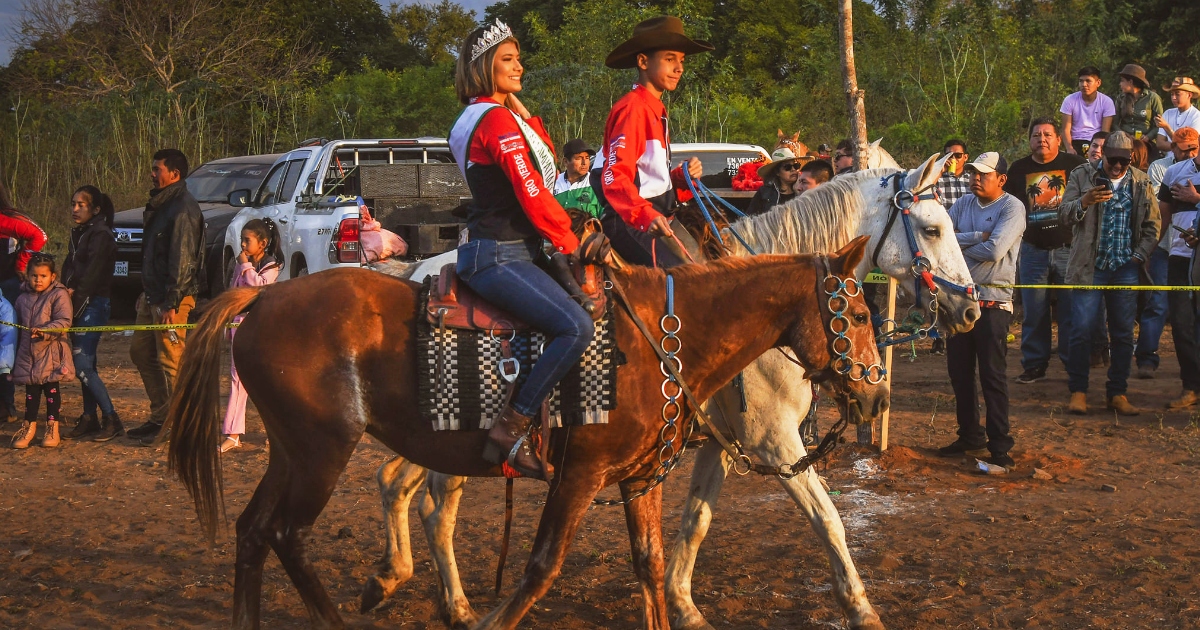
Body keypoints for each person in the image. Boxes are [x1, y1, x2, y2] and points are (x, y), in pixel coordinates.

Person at [448, 20, 610, 479]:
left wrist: (515, 104)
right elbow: (531, 190)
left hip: (506, 247)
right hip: (501, 252)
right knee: (577, 326)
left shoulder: (483, 116)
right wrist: (571, 241)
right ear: (484, 67)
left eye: (519, 58)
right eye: (507, 60)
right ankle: (511, 429)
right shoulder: (495, 120)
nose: (520, 66)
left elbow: (535, 155)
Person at [595, 16, 710, 268]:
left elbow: (647, 180)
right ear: (643, 61)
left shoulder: (655, 109)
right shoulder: (633, 108)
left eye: (681, 61)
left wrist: (681, 178)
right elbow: (614, 177)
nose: (679, 68)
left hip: (653, 217)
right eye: (670, 59)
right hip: (629, 222)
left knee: (711, 270)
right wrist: (643, 215)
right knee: (688, 281)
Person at [1059, 131, 1160, 415]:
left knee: (1123, 334)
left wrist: (1139, 256)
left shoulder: (1141, 181)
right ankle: (1078, 391)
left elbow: (1153, 225)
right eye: (1112, 160)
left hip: (1125, 267)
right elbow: (1063, 215)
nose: (1116, 166)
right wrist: (1084, 202)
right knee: (1080, 330)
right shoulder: (1082, 175)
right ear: (1103, 154)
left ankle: (1117, 392)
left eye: (1122, 161)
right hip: (1089, 266)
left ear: (1130, 158)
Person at [938, 153, 1025, 467]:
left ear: (1001, 179)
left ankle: (999, 446)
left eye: (984, 174)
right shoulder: (962, 203)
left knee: (992, 376)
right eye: (973, 172)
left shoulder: (1012, 207)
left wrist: (959, 246)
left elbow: (996, 250)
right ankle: (970, 437)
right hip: (958, 302)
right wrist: (975, 236)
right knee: (960, 375)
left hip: (993, 304)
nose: (976, 177)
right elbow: (941, 241)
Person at [126, 148, 204, 445]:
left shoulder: (182, 208)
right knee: (141, 352)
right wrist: (147, 293)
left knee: (171, 360)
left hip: (173, 298)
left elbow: (183, 260)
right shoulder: (162, 205)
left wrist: (172, 301)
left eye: (157, 169)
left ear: (175, 173)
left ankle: (181, 425)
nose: (152, 173)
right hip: (155, 296)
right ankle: (161, 416)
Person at [1002, 118, 1086, 383]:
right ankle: (1034, 365)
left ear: (1058, 139)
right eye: (1036, 135)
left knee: (1070, 312)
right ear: (1030, 140)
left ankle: (1073, 366)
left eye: (1048, 134)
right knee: (1034, 312)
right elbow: (1008, 207)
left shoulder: (1075, 166)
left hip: (1069, 250)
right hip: (1033, 251)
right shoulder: (1018, 169)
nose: (1042, 139)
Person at [61, 185, 122, 441]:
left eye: (81, 205)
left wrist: (73, 306)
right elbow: (70, 266)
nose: (75, 209)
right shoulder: (80, 233)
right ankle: (89, 417)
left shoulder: (101, 235)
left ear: (95, 209)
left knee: (82, 363)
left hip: (93, 305)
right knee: (89, 363)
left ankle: (112, 419)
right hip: (80, 302)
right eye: (73, 203)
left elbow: (92, 275)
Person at [221, 220, 283, 453]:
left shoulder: (271, 266)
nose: (243, 245)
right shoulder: (241, 264)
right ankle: (232, 433)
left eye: (248, 240)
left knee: (269, 382)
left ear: (263, 243)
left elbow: (259, 289)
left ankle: (278, 433)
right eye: (242, 240)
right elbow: (235, 292)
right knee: (237, 379)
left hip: (263, 328)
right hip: (240, 325)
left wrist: (245, 266)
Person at [9, 255, 74, 449]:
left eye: (43, 276)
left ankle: (52, 427)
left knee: (51, 390)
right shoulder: (21, 298)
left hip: (51, 352)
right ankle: (28, 426)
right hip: (28, 355)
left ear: (52, 276)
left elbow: (64, 321)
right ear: (27, 276)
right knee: (31, 392)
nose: (38, 280)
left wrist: (46, 331)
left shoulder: (59, 295)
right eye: (34, 276)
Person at [1157, 128, 1200, 409]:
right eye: (1183, 149)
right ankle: (1191, 386)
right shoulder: (1174, 172)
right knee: (1182, 323)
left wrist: (1196, 199)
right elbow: (1164, 212)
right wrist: (1156, 245)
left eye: (1192, 147)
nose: (1189, 153)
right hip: (1179, 254)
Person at [0, 177, 48, 422]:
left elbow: (38, 236)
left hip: (7, 287)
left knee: (7, 345)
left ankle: (6, 404)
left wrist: (21, 264)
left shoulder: (7, 219)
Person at [1060, 66, 1116, 155]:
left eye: (1088, 81)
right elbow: (1065, 129)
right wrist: (1069, 148)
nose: (1084, 84)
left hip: (1096, 142)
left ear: (1098, 83)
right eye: (1081, 81)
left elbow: (1105, 131)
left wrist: (1100, 149)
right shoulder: (1070, 100)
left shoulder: (1106, 102)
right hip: (1075, 141)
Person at [1113, 64, 1164, 148]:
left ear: (1131, 82)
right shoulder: (1121, 98)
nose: (1120, 84)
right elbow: (1115, 124)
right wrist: (1125, 136)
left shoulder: (1152, 98)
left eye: (1122, 80)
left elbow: (1159, 124)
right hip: (1124, 143)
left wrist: (1148, 137)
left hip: (1146, 143)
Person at [746, 145, 806, 215]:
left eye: (796, 166)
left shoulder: (805, 190)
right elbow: (750, 218)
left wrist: (798, 192)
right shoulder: (764, 192)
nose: (793, 170)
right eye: (787, 167)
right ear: (777, 172)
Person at [553, 138, 603, 218]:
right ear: (565, 162)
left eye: (587, 158)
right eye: (579, 158)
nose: (584, 163)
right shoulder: (553, 183)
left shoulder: (596, 183)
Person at [1154, 77, 1200, 155]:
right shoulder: (1168, 113)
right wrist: (1179, 146)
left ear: (1189, 95)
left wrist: (1167, 127)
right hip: (1168, 160)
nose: (1173, 98)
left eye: (1177, 94)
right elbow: (1159, 143)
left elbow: (1189, 147)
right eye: (1172, 94)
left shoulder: (1196, 116)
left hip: (1187, 162)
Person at [936, 139, 971, 210]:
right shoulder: (937, 179)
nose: (953, 159)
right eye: (949, 155)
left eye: (958, 155)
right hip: (945, 220)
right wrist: (940, 170)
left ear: (965, 157)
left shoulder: (972, 180)